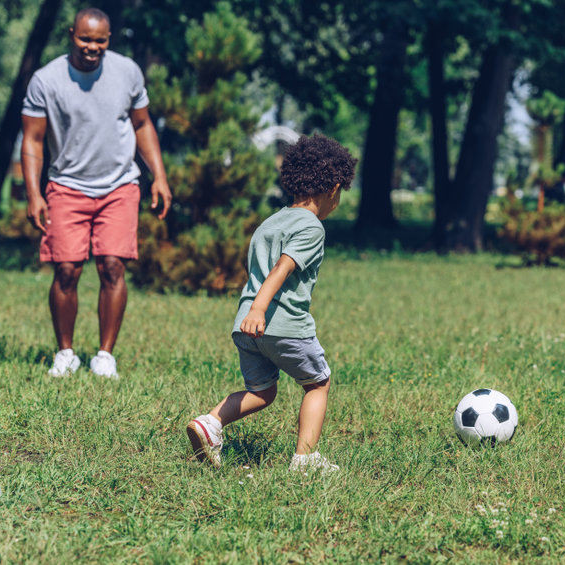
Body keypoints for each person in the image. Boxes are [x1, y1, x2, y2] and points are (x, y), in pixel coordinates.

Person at [186, 134, 357, 473]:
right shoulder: (311, 226)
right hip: (280, 323)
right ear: (334, 189)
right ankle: (305, 459)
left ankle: (210, 422)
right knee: (317, 383)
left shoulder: (270, 223)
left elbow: (255, 268)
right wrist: (260, 309)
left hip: (246, 327)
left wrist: (251, 311)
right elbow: (282, 268)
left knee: (262, 392)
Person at [21, 8, 171, 379]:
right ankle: (66, 353)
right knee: (67, 269)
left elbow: (143, 125)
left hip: (119, 185)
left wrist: (159, 176)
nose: (92, 47)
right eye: (84, 39)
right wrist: (33, 194)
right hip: (67, 186)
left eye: (99, 40)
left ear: (109, 39)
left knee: (112, 266)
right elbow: (33, 141)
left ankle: (105, 356)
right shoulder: (46, 80)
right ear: (72, 34)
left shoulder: (127, 72)